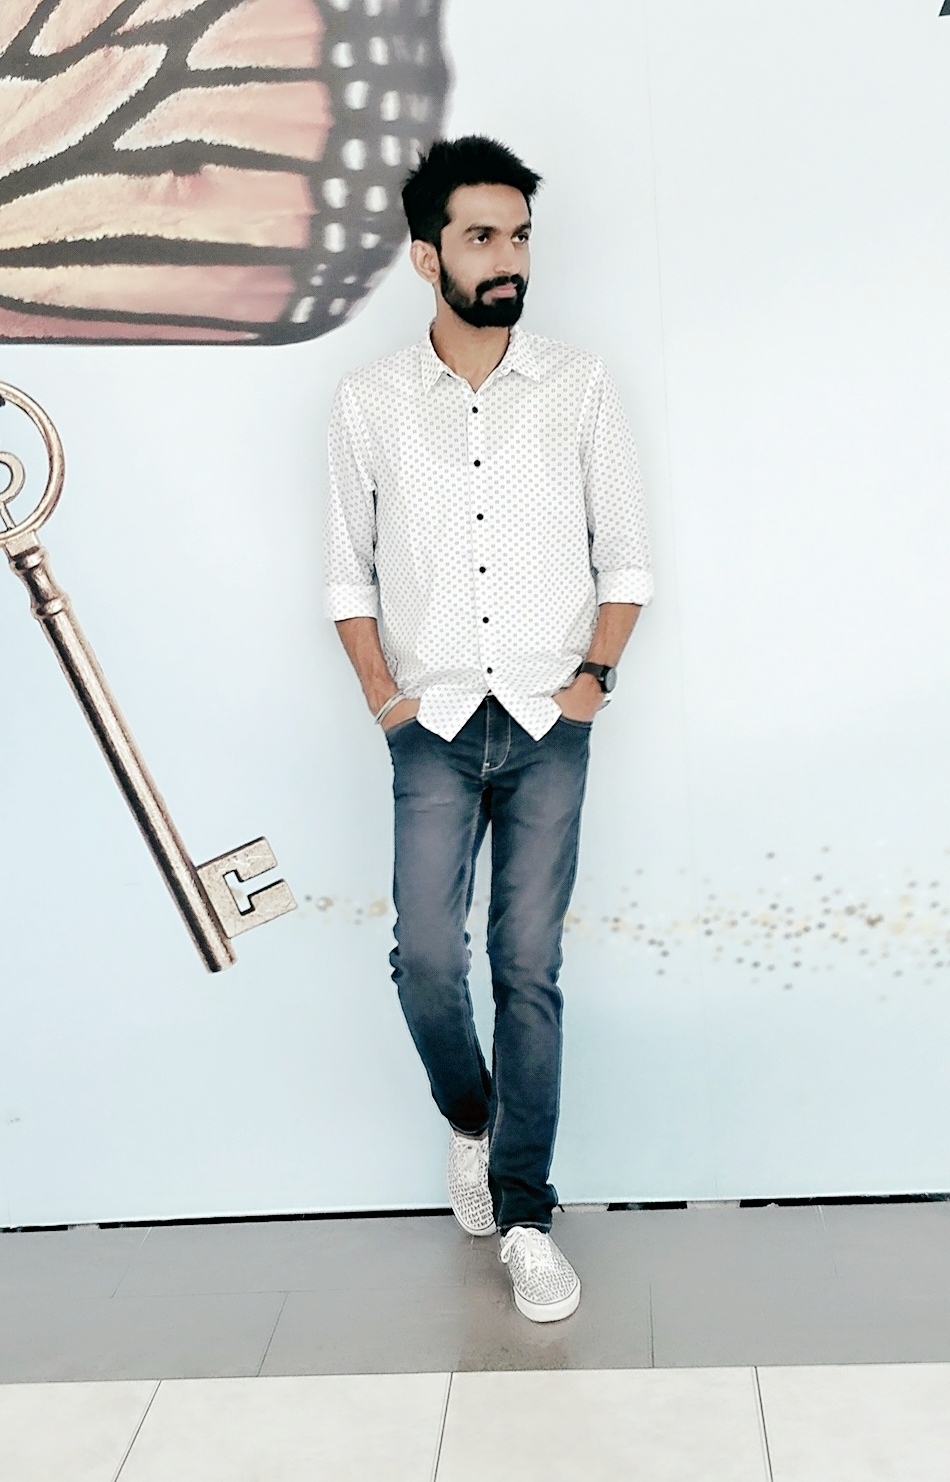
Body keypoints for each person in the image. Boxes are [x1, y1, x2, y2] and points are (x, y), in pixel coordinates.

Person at [324, 136, 652, 1322]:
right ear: (427, 257)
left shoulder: (579, 385)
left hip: (549, 720)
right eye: (480, 237)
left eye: (518, 235)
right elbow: (347, 578)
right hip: (431, 724)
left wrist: (590, 682)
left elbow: (625, 560)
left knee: (527, 968)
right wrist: (387, 699)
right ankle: (471, 1118)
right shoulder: (368, 402)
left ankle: (524, 1217)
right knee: (424, 960)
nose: (507, 257)